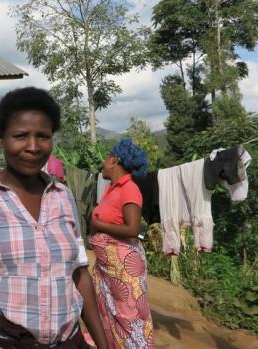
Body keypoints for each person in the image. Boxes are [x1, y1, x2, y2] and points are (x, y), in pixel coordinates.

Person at [0, 87, 108, 349]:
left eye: (43, 136)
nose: (33, 147)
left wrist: (103, 344)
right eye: (21, 136)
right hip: (10, 341)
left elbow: (80, 274)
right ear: (1, 140)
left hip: (71, 341)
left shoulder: (63, 196)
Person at [90, 138, 154, 349]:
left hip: (125, 270)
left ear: (114, 160)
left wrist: (98, 224)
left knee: (129, 319)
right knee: (110, 315)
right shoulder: (112, 189)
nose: (103, 162)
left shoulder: (129, 189)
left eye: (106, 157)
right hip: (109, 270)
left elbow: (132, 229)